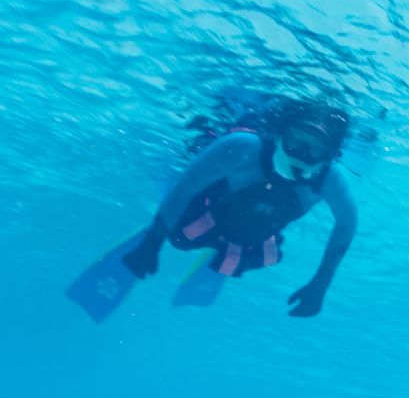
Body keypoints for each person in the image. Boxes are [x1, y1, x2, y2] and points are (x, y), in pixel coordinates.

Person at [124, 100, 358, 317]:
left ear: (329, 156)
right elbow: (186, 187)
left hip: (254, 230)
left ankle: (224, 249)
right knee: (181, 239)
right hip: (206, 209)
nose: (302, 153)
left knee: (266, 258)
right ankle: (206, 135)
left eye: (316, 148)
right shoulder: (242, 148)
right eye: (296, 140)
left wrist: (321, 283)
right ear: (278, 135)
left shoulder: (329, 180)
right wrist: (153, 240)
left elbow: (347, 224)